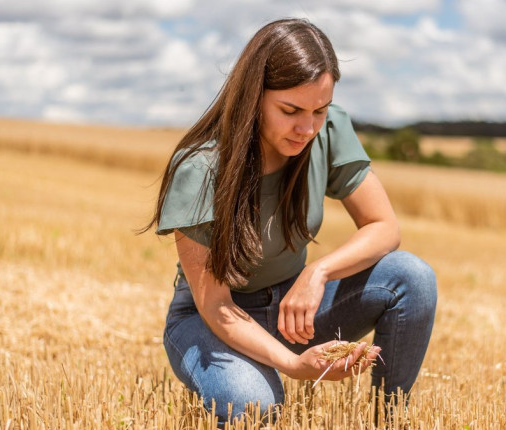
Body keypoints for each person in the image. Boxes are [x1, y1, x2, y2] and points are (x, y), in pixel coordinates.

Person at [141, 18, 437, 426]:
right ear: (253, 96)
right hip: (210, 322)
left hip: (292, 311)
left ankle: (389, 421)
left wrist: (318, 272)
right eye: (290, 110)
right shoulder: (200, 167)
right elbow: (215, 304)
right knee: (255, 406)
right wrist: (294, 364)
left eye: (320, 109)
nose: (308, 127)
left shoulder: (327, 130)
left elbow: (385, 227)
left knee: (412, 279)